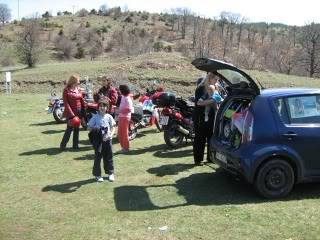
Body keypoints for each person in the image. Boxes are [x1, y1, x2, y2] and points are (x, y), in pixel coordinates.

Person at [193, 72, 219, 166]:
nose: (217, 81)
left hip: (211, 116)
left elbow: (216, 100)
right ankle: (198, 160)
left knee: (210, 137)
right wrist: (212, 101)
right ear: (210, 78)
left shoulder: (213, 87)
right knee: (200, 139)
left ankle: (210, 157)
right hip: (201, 117)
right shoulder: (201, 88)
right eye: (215, 79)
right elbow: (199, 103)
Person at [87, 99, 116, 182]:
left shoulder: (109, 116)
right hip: (99, 142)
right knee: (98, 158)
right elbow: (88, 128)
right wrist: (97, 130)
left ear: (107, 108)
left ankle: (110, 173)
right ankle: (97, 175)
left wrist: (111, 134)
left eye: (104, 106)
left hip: (108, 140)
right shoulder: (95, 117)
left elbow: (113, 127)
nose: (102, 108)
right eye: (100, 106)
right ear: (98, 107)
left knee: (109, 157)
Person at [60, 74, 85, 150]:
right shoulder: (66, 90)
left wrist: (84, 112)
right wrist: (72, 115)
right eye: (77, 82)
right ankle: (63, 145)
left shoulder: (79, 89)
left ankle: (75, 145)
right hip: (70, 112)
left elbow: (82, 100)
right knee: (69, 128)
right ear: (73, 81)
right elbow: (66, 104)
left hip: (79, 111)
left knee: (77, 129)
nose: (78, 83)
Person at [117, 84, 134, 153]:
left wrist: (120, 110)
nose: (119, 91)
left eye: (120, 90)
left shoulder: (127, 98)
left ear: (123, 90)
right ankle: (123, 147)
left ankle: (126, 148)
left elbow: (129, 108)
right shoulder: (123, 97)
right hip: (121, 116)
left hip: (125, 117)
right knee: (120, 133)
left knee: (124, 133)